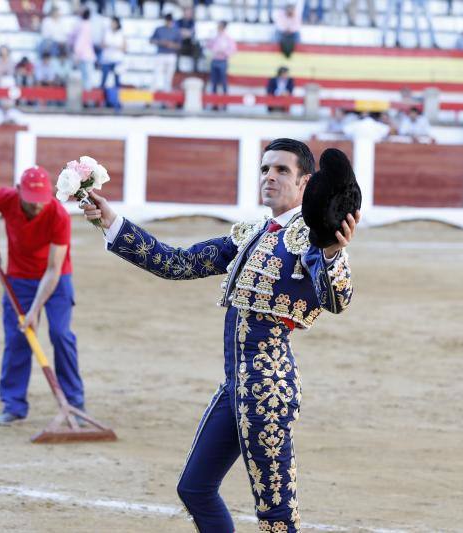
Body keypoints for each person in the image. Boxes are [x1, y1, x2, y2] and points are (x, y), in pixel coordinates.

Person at [81, 138, 359, 533]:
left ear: (305, 183)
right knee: (194, 488)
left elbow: (337, 298)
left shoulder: (312, 237)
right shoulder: (252, 233)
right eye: (265, 169)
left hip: (268, 388)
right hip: (236, 387)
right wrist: (112, 222)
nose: (270, 177)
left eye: (282, 170)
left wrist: (332, 252)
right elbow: (178, 263)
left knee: (277, 518)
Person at [0, 167, 85, 426]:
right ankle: (14, 405)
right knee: (17, 338)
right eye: (31, 201)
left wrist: (34, 310)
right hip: (19, 278)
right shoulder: (5, 199)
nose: (37, 207)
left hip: (57, 279)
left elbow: (53, 270)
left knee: (61, 335)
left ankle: (74, 403)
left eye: (42, 201)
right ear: (19, 192)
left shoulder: (59, 215)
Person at [150, 14, 181, 93]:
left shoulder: (176, 31)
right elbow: (151, 40)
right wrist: (161, 42)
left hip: (171, 55)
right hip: (161, 54)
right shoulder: (159, 29)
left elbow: (179, 45)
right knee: (157, 75)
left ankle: (166, 96)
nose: (168, 23)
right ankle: (152, 95)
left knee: (169, 77)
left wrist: (171, 44)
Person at [207, 21, 236, 101]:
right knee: (214, 81)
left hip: (223, 61)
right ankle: (213, 100)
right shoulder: (215, 37)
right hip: (215, 60)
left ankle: (225, 100)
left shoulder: (228, 38)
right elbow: (209, 46)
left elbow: (232, 49)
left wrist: (224, 52)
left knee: (223, 81)